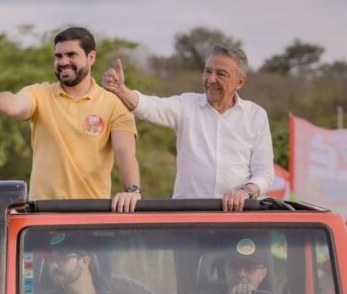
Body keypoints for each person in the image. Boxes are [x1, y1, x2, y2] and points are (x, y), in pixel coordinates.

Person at [0, 26, 142, 213]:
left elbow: (125, 153)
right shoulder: (40, 94)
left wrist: (132, 190)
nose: (63, 62)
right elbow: (15, 104)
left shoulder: (114, 103)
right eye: (58, 56)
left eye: (71, 55)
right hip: (43, 216)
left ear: (91, 57)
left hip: (92, 213)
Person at [102, 44, 273, 212]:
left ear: (240, 82)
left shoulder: (255, 115)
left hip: (238, 219)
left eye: (221, 74)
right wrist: (121, 90)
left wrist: (245, 192)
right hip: (189, 219)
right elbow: (149, 106)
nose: (211, 79)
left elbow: (264, 174)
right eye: (207, 71)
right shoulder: (187, 105)